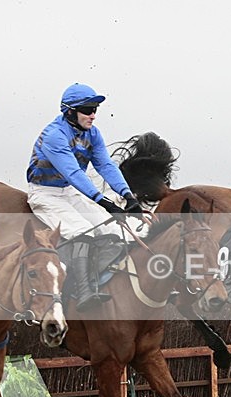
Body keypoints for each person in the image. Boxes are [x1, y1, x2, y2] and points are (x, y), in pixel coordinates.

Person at [26, 83, 143, 312]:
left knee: (110, 230)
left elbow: (105, 165)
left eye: (95, 110)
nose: (93, 115)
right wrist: (104, 201)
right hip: (44, 193)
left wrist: (127, 196)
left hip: (69, 191)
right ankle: (82, 291)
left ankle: (103, 282)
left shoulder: (93, 133)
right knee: (83, 231)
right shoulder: (54, 135)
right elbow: (74, 172)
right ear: (69, 111)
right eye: (88, 109)